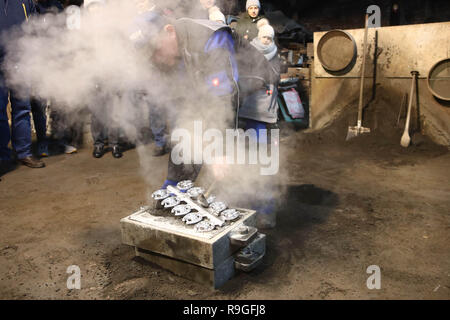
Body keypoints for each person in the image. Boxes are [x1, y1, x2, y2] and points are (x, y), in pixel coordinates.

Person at [130, 12, 238, 188]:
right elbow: (187, 106)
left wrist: (221, 150)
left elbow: (223, 98)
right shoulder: (174, 53)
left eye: (156, 51)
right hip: (213, 101)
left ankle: (263, 213)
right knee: (187, 137)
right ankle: (173, 191)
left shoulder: (211, 38)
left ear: (169, 30)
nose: (156, 59)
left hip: (252, 99)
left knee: (253, 169)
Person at [0, 0, 45, 170]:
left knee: (22, 109)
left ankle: (24, 153)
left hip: (21, 63)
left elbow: (34, 30)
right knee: (0, 112)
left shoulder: (24, 2)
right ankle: (3, 156)